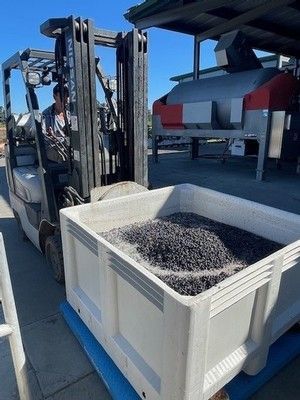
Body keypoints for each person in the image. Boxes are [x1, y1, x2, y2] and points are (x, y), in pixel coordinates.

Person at [42, 84, 69, 162]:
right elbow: (44, 136)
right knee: (65, 155)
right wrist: (50, 135)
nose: (65, 99)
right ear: (54, 97)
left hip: (69, 145)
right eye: (62, 96)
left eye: (67, 96)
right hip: (54, 146)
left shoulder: (72, 113)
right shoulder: (46, 114)